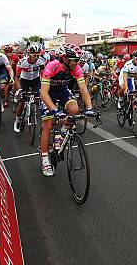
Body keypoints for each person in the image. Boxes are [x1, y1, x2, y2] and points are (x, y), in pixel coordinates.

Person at [39, 45, 95, 176]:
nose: (77, 63)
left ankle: (62, 133)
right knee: (47, 125)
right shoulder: (51, 67)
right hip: (48, 94)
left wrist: (90, 108)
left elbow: (83, 89)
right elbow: (43, 93)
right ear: (65, 59)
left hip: (63, 91)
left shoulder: (76, 68)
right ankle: (45, 159)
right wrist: (54, 110)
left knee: (74, 109)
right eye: (74, 60)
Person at [13, 44, 46, 132]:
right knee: (22, 100)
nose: (36, 57)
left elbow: (43, 75)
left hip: (35, 80)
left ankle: (44, 118)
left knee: (40, 98)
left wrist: (44, 86)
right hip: (24, 80)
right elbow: (16, 77)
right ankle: (17, 120)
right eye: (34, 55)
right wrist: (20, 89)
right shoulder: (22, 62)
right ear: (29, 54)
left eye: (38, 55)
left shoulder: (41, 61)